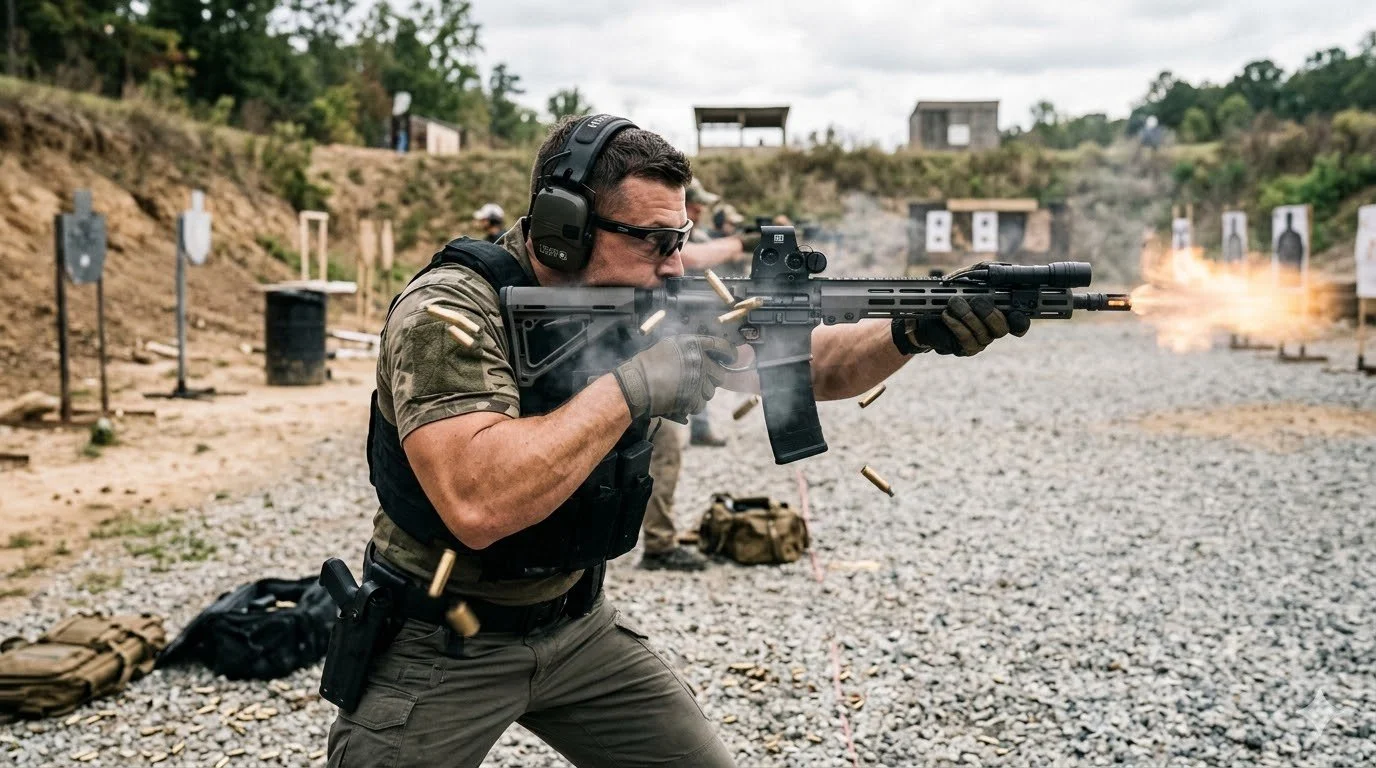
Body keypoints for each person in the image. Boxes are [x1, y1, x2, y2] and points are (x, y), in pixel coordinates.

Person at [325, 114, 1029, 768]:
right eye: (653, 242)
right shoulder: (447, 311)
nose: (673, 265)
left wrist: (911, 331)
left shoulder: (649, 296)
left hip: (575, 625)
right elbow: (478, 503)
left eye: (681, 240)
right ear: (562, 226)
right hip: (440, 634)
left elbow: (809, 366)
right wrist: (633, 386)